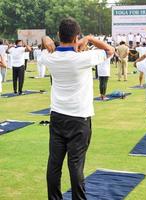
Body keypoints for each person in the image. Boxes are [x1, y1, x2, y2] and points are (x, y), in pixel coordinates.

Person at [40, 17, 114, 200]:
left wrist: (45, 39)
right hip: (79, 118)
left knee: (54, 164)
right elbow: (110, 50)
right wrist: (88, 38)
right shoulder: (84, 57)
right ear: (76, 36)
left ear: (58, 35)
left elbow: (45, 47)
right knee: (76, 165)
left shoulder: (50, 56)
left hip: (57, 116)